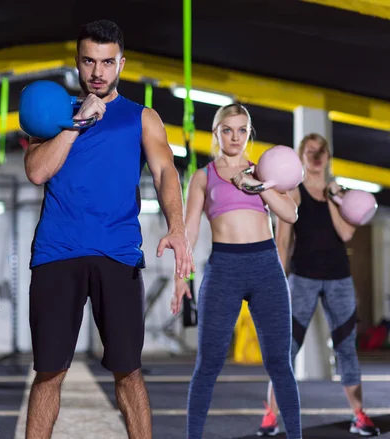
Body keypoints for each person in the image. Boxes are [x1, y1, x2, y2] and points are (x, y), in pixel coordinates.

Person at [23, 19, 192, 439]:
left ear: (121, 63)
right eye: (88, 61)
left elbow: (166, 170)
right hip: (57, 254)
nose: (97, 72)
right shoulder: (54, 115)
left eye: (107, 62)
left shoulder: (141, 117)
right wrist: (76, 123)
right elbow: (36, 172)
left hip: (117, 253)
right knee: (49, 371)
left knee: (128, 371)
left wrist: (177, 226)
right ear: (77, 63)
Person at [171, 103, 303, 439]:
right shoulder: (203, 177)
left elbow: (290, 214)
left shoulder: (263, 171)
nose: (234, 137)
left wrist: (259, 186)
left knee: (280, 364)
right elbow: (189, 231)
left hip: (266, 268)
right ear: (215, 133)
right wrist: (180, 278)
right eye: (227, 130)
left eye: (241, 130)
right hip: (223, 270)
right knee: (208, 365)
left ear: (249, 134)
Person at [256, 133, 380, 437]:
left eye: (320, 151)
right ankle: (270, 415)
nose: (315, 156)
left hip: (339, 278)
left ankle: (359, 415)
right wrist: (277, 280)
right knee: (288, 348)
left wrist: (335, 197)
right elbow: (283, 241)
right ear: (301, 156)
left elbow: (347, 234)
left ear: (327, 156)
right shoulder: (294, 192)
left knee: (346, 348)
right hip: (303, 279)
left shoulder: (340, 194)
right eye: (309, 151)